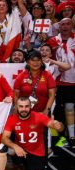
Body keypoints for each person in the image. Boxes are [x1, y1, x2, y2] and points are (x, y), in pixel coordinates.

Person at [0, 97, 64, 170]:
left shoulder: (38, 116)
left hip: (36, 152)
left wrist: (58, 126)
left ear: (30, 107)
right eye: (21, 106)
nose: (24, 109)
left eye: (26, 106)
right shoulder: (12, 119)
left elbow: (53, 124)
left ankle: (27, 167)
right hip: (19, 151)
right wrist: (15, 146)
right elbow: (4, 138)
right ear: (16, 107)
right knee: (2, 147)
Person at [47, 18, 75, 147]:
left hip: (72, 81)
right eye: (62, 24)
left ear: (72, 26)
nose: (65, 26)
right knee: (55, 111)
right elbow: (46, 58)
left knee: (70, 109)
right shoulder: (53, 41)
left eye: (68, 24)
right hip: (56, 82)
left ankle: (72, 137)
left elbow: (69, 65)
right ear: (59, 27)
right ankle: (57, 139)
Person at [14, 50, 56, 115]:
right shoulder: (21, 76)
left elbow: (52, 95)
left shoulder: (47, 75)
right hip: (24, 113)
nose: (35, 63)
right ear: (28, 62)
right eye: (33, 60)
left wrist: (46, 111)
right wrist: (17, 111)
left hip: (42, 113)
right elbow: (16, 96)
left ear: (41, 62)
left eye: (38, 60)